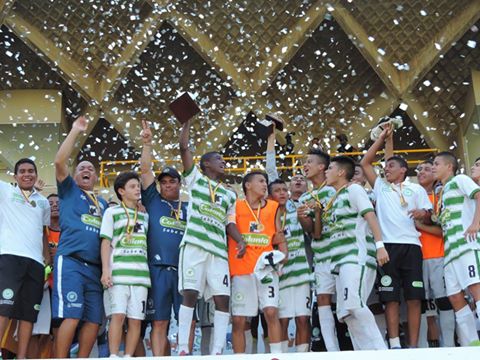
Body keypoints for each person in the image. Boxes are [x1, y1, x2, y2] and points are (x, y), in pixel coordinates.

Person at [177, 119, 246, 355]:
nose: (223, 162)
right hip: (194, 245)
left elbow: (229, 222)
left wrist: (241, 240)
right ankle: (184, 348)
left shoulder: (228, 194)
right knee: (190, 294)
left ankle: (217, 351)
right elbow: (184, 149)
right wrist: (185, 123)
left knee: (222, 299)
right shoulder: (195, 179)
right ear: (206, 164)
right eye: (218, 159)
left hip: (218, 252)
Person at [360, 125, 432, 348]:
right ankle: (394, 345)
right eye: (385, 165)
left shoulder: (416, 189)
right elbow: (364, 163)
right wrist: (382, 138)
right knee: (390, 297)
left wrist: (423, 214)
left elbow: (428, 216)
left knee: (413, 297)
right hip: (387, 248)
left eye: (391, 165)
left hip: (412, 247)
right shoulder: (380, 186)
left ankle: (413, 346)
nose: (386, 168)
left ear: (403, 170)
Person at [53, 115, 108, 358]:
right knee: (72, 315)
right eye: (82, 168)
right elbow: (59, 161)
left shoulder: (104, 203)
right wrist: (75, 131)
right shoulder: (69, 191)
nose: (87, 170)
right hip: (71, 261)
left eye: (91, 169)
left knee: (94, 320)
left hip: (96, 269)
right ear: (75, 176)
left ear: (95, 177)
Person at [139, 120, 193, 355]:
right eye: (164, 182)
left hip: (185, 271)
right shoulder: (153, 200)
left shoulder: (190, 207)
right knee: (159, 322)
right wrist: (147, 144)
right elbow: (145, 171)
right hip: (158, 269)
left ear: (180, 184)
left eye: (173, 181)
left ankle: (187, 356)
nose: (168, 185)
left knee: (188, 320)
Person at [324, 156, 388, 350]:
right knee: (346, 313)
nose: (326, 172)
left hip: (357, 257)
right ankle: (363, 352)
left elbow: (370, 215)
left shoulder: (354, 189)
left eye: (330, 168)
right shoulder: (334, 198)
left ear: (341, 172)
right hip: (341, 262)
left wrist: (380, 246)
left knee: (354, 304)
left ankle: (381, 351)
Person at [229, 171, 287, 354]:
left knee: (271, 312)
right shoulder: (235, 206)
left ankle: (277, 356)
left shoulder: (273, 206)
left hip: (266, 269)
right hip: (241, 269)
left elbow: (280, 237)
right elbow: (228, 226)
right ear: (248, 185)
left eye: (266, 181)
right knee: (239, 320)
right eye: (261, 181)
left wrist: (282, 259)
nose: (265, 184)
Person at [0, 158, 51, 359]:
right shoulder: (5, 191)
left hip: (36, 263)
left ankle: (22, 357)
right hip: (10, 257)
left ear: (36, 176)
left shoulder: (43, 202)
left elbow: (43, 232)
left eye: (31, 171)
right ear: (15, 176)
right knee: (4, 307)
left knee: (29, 313)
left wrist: (47, 257)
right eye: (22, 171)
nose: (27, 174)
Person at [432, 151, 480, 346]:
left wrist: (476, 223)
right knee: (454, 297)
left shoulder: (460, 179)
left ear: (449, 167)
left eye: (436, 163)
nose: (433, 167)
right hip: (451, 253)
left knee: (476, 290)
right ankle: (472, 345)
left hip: (467, 246)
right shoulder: (442, 192)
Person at [100, 171, 150, 357]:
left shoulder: (145, 216)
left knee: (136, 320)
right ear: (121, 191)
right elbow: (105, 243)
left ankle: (128, 356)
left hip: (141, 276)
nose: (137, 189)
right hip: (118, 274)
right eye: (132, 186)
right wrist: (106, 270)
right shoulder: (111, 212)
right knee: (118, 316)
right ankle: (114, 355)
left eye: (138, 186)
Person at [297, 149, 338, 351]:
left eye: (309, 161)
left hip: (340, 253)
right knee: (322, 298)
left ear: (322, 166)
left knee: (349, 306)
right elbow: (312, 232)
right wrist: (303, 218)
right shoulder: (305, 197)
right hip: (321, 255)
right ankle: (332, 350)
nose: (305, 165)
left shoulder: (333, 190)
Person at [268, 179, 312, 352]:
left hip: (302, 273)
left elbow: (310, 230)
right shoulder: (267, 216)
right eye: (277, 190)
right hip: (281, 275)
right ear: (270, 196)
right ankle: (282, 355)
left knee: (302, 319)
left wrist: (305, 216)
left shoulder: (296, 210)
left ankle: (302, 356)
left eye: (284, 190)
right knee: (283, 320)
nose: (282, 193)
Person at [415, 161, 455, 347]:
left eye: (427, 169)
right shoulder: (410, 196)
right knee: (419, 304)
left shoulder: (440, 196)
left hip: (438, 256)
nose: (421, 172)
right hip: (415, 259)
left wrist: (420, 226)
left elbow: (442, 230)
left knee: (444, 301)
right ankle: (422, 348)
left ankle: (449, 346)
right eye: (419, 169)